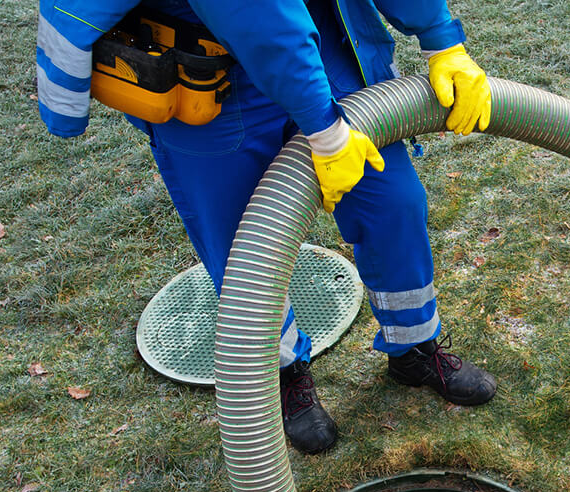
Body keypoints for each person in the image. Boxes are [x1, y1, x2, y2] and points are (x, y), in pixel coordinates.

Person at [36, 0, 498, 455]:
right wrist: (327, 131)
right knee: (244, 249)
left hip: (318, 39)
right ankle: (286, 373)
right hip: (199, 66)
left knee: (392, 203)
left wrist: (441, 40)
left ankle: (414, 348)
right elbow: (255, 14)